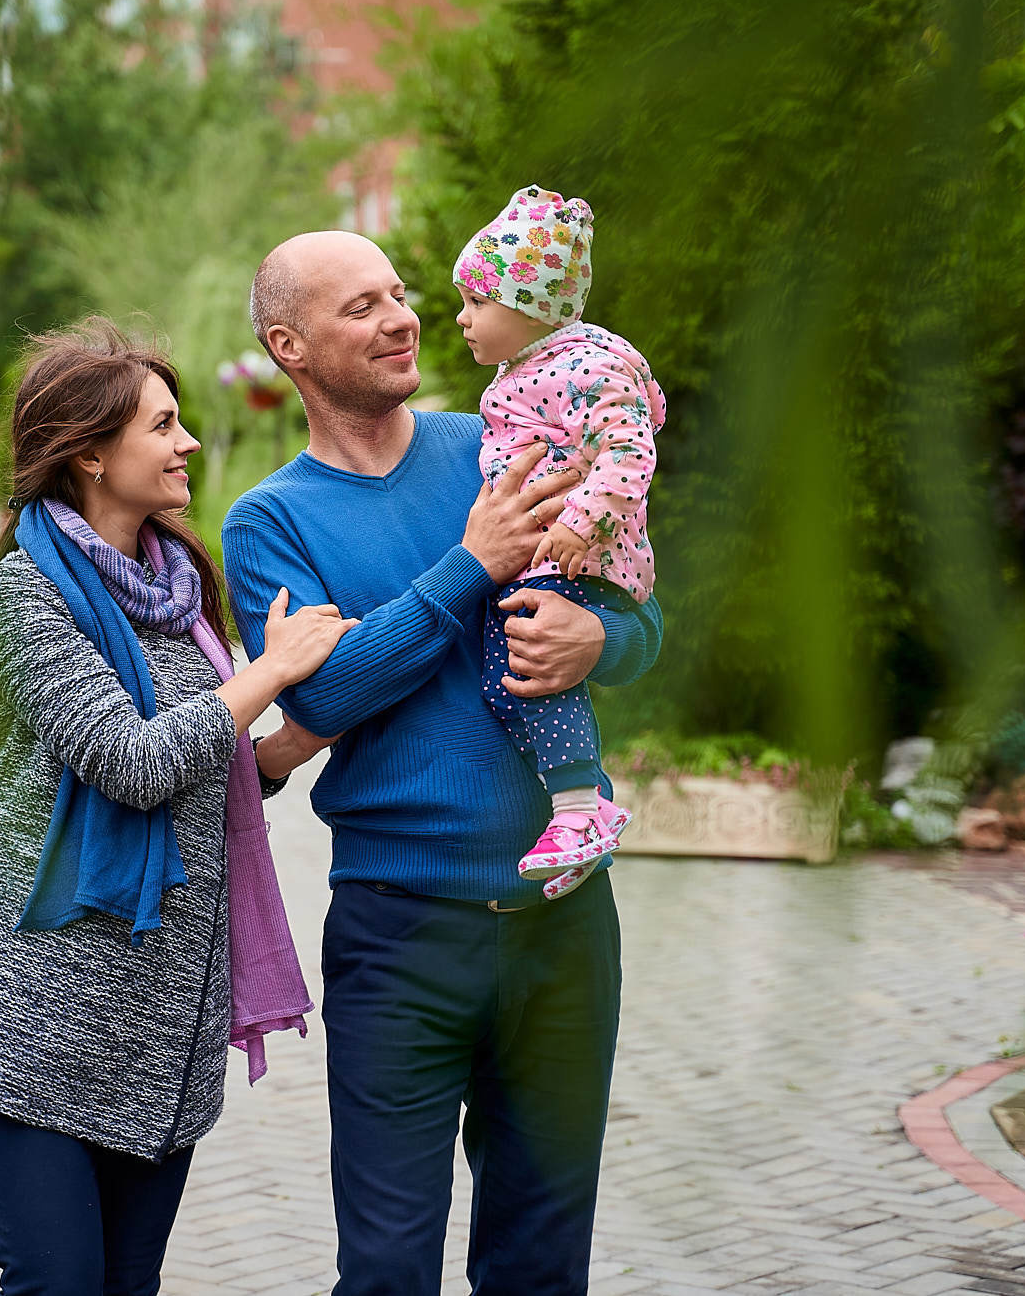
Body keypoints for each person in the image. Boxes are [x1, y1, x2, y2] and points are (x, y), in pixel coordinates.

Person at [222, 230, 663, 1296]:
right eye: (358, 307)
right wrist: (471, 563)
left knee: (541, 1269)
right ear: (288, 345)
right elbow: (322, 692)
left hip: (564, 931)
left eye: (398, 293)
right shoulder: (270, 519)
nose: (399, 317)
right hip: (400, 938)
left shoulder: (502, 438)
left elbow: (638, 611)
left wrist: (601, 642)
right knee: (384, 1274)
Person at [0, 317, 349, 1296]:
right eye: (162, 426)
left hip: (161, 1025)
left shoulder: (178, 587)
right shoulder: (18, 596)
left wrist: (282, 749)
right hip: (37, 1020)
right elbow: (127, 761)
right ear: (88, 453)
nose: (188, 443)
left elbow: (195, 759)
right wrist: (269, 673)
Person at [452, 185, 666, 895]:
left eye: (476, 303)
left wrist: (581, 523)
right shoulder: (534, 369)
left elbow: (630, 448)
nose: (461, 319)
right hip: (545, 557)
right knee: (507, 681)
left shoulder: (585, 365)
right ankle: (572, 821)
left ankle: (580, 807)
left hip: (572, 556)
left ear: (528, 304)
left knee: (530, 665)